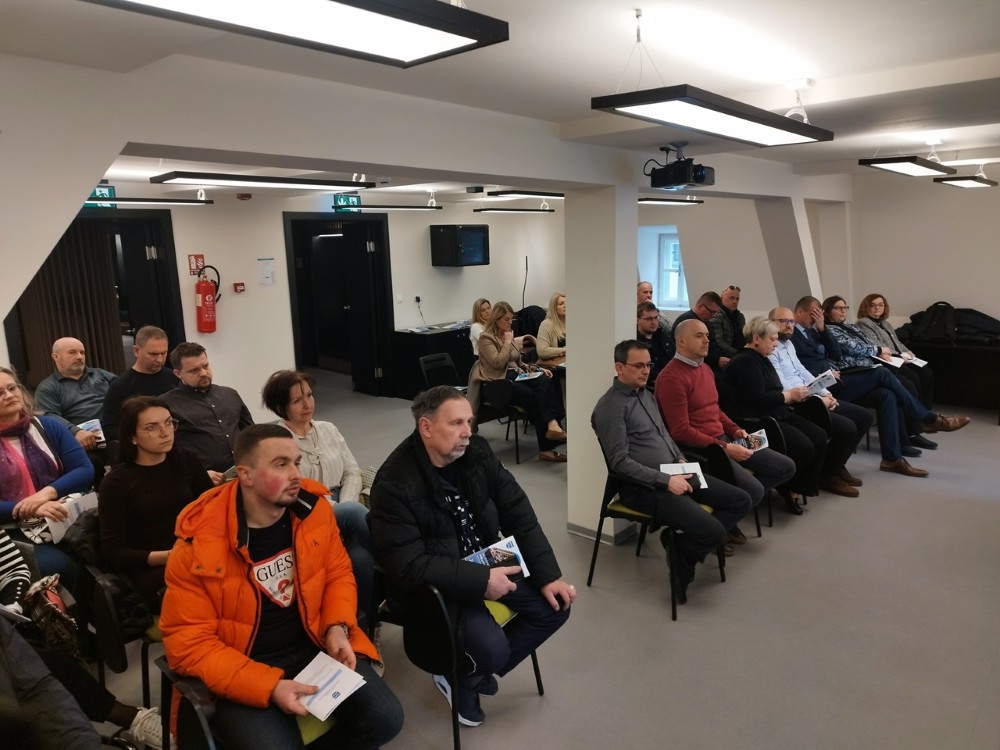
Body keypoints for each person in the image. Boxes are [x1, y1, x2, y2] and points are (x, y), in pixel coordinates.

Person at [160, 424, 402, 750]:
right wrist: (269, 686)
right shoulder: (198, 545)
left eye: (296, 462)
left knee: (386, 719)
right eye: (280, 464)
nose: (295, 474)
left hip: (313, 643)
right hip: (243, 662)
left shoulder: (314, 511)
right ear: (245, 475)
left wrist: (336, 626)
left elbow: (337, 574)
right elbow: (188, 646)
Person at [369, 386, 574, 727]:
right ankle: (473, 667)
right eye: (456, 423)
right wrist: (480, 581)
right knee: (493, 650)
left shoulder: (476, 451)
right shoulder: (394, 483)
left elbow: (517, 511)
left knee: (556, 606)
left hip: (487, 557)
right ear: (426, 427)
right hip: (438, 583)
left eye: (469, 421)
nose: (468, 431)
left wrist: (548, 575)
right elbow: (408, 566)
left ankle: (463, 675)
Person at [591, 340, 752, 601]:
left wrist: (679, 458)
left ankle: (681, 547)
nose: (646, 371)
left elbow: (665, 435)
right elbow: (619, 462)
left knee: (741, 500)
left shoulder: (646, 394)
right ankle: (683, 555)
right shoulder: (610, 408)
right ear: (619, 367)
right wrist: (666, 480)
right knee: (713, 532)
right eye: (638, 366)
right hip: (643, 487)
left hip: (674, 471)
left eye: (648, 365)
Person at [655, 318, 796, 534]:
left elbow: (715, 409)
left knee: (786, 466)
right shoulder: (671, 378)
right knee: (755, 491)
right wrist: (726, 447)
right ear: (681, 341)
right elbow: (680, 432)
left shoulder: (705, 369)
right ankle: (719, 524)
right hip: (707, 448)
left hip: (727, 438)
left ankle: (733, 506)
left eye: (707, 335)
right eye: (699, 336)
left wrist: (735, 430)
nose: (706, 340)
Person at [261, 370, 375, 630]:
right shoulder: (276, 441)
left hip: (345, 506)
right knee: (356, 517)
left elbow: (352, 472)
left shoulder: (328, 429)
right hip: (307, 512)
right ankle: (399, 563)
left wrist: (345, 504)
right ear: (280, 407)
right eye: (297, 400)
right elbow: (293, 492)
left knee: (360, 560)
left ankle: (366, 627)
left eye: (309, 395)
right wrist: (340, 509)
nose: (307, 404)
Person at [822, 295, 969, 468]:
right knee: (888, 375)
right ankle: (927, 418)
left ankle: (892, 457)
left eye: (845, 307)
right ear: (827, 311)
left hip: (868, 368)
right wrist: (878, 351)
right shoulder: (829, 330)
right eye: (838, 308)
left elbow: (871, 345)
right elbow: (854, 348)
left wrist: (881, 353)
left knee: (890, 394)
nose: (843, 311)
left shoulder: (850, 326)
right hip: (850, 375)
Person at [791, 296, 932, 477]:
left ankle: (892, 458)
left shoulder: (815, 331)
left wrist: (822, 328)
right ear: (799, 312)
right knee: (884, 374)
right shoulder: (791, 337)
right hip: (828, 383)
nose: (816, 317)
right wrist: (824, 377)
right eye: (814, 313)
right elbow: (799, 368)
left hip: (834, 379)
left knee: (887, 394)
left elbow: (835, 353)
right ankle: (924, 416)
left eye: (819, 313)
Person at [723, 317, 853, 509]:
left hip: (774, 413)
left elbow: (772, 392)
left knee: (819, 435)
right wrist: (789, 396)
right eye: (772, 339)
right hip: (755, 423)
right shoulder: (744, 362)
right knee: (803, 446)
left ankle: (801, 486)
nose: (776, 344)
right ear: (757, 338)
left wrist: (791, 397)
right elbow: (758, 399)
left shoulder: (760, 358)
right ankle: (788, 488)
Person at [98, 396, 213, 611]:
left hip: (196, 553)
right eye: (152, 427)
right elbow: (114, 554)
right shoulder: (116, 482)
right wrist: (172, 556)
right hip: (152, 568)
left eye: (169, 423)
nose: (165, 432)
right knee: (209, 594)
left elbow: (212, 511)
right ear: (132, 437)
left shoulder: (186, 460)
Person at [0, 366, 93, 593]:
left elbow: (84, 469)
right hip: (12, 529)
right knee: (62, 567)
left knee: (104, 554)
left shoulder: (48, 426)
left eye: (12, 388)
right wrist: (30, 508)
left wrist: (44, 495)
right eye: (0, 393)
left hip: (64, 514)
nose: (9, 395)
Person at [767, 307, 873, 495]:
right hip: (797, 402)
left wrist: (825, 392)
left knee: (864, 417)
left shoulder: (789, 344)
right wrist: (817, 398)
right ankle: (828, 475)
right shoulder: (770, 348)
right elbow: (784, 387)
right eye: (783, 321)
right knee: (847, 428)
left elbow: (802, 371)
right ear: (770, 323)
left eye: (791, 322)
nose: (789, 325)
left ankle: (836, 466)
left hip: (812, 396)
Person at [470, 300, 567, 463]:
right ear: (497, 319)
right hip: (497, 384)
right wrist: (508, 342)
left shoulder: (507, 333)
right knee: (538, 393)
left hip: (514, 376)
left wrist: (536, 369)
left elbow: (519, 361)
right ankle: (549, 438)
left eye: (511, 319)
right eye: (506, 319)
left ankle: (551, 430)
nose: (510, 322)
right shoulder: (486, 338)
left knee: (543, 381)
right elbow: (498, 363)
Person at [161, 341, 254, 481]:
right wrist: (196, 473)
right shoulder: (166, 404)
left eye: (205, 366)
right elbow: (165, 451)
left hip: (244, 474)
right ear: (178, 373)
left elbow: (250, 432)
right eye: (194, 370)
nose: (204, 373)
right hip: (202, 480)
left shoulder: (230, 394)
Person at [100, 326, 178, 456]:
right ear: (136, 351)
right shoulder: (121, 385)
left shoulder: (174, 377)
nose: (159, 359)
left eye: (163, 353)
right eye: (153, 354)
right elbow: (109, 428)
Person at [855, 293, 935, 414]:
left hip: (901, 357)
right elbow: (877, 345)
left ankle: (927, 410)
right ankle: (919, 413)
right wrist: (900, 356)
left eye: (880, 305)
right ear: (866, 307)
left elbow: (897, 342)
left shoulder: (885, 323)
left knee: (926, 373)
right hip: (888, 360)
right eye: (873, 305)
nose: (877, 308)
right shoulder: (863, 323)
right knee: (914, 378)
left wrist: (907, 351)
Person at [33, 337, 116, 452]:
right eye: (72, 352)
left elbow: (125, 393)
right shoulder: (48, 387)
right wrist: (75, 431)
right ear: (56, 357)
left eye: (82, 352)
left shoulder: (101, 375)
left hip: (115, 432)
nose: (79, 357)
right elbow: (48, 416)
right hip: (82, 442)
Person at [667, 291, 730, 370]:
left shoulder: (707, 322)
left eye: (716, 313)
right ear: (700, 306)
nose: (713, 316)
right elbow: (691, 351)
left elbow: (713, 345)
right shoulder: (687, 321)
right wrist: (716, 360)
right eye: (712, 312)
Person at [636, 301, 672, 387]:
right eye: (648, 319)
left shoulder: (663, 335)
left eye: (656, 318)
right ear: (638, 320)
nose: (653, 322)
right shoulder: (636, 342)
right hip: (652, 385)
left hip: (671, 377)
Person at [710, 285, 746, 357]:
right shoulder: (716, 317)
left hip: (741, 353)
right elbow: (719, 343)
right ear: (721, 299)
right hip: (727, 356)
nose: (735, 301)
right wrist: (738, 354)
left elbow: (746, 336)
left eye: (737, 299)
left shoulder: (740, 316)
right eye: (731, 298)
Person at [535, 292, 567, 367]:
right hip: (555, 367)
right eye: (561, 304)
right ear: (554, 307)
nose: (565, 306)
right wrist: (564, 350)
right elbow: (542, 351)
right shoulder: (546, 324)